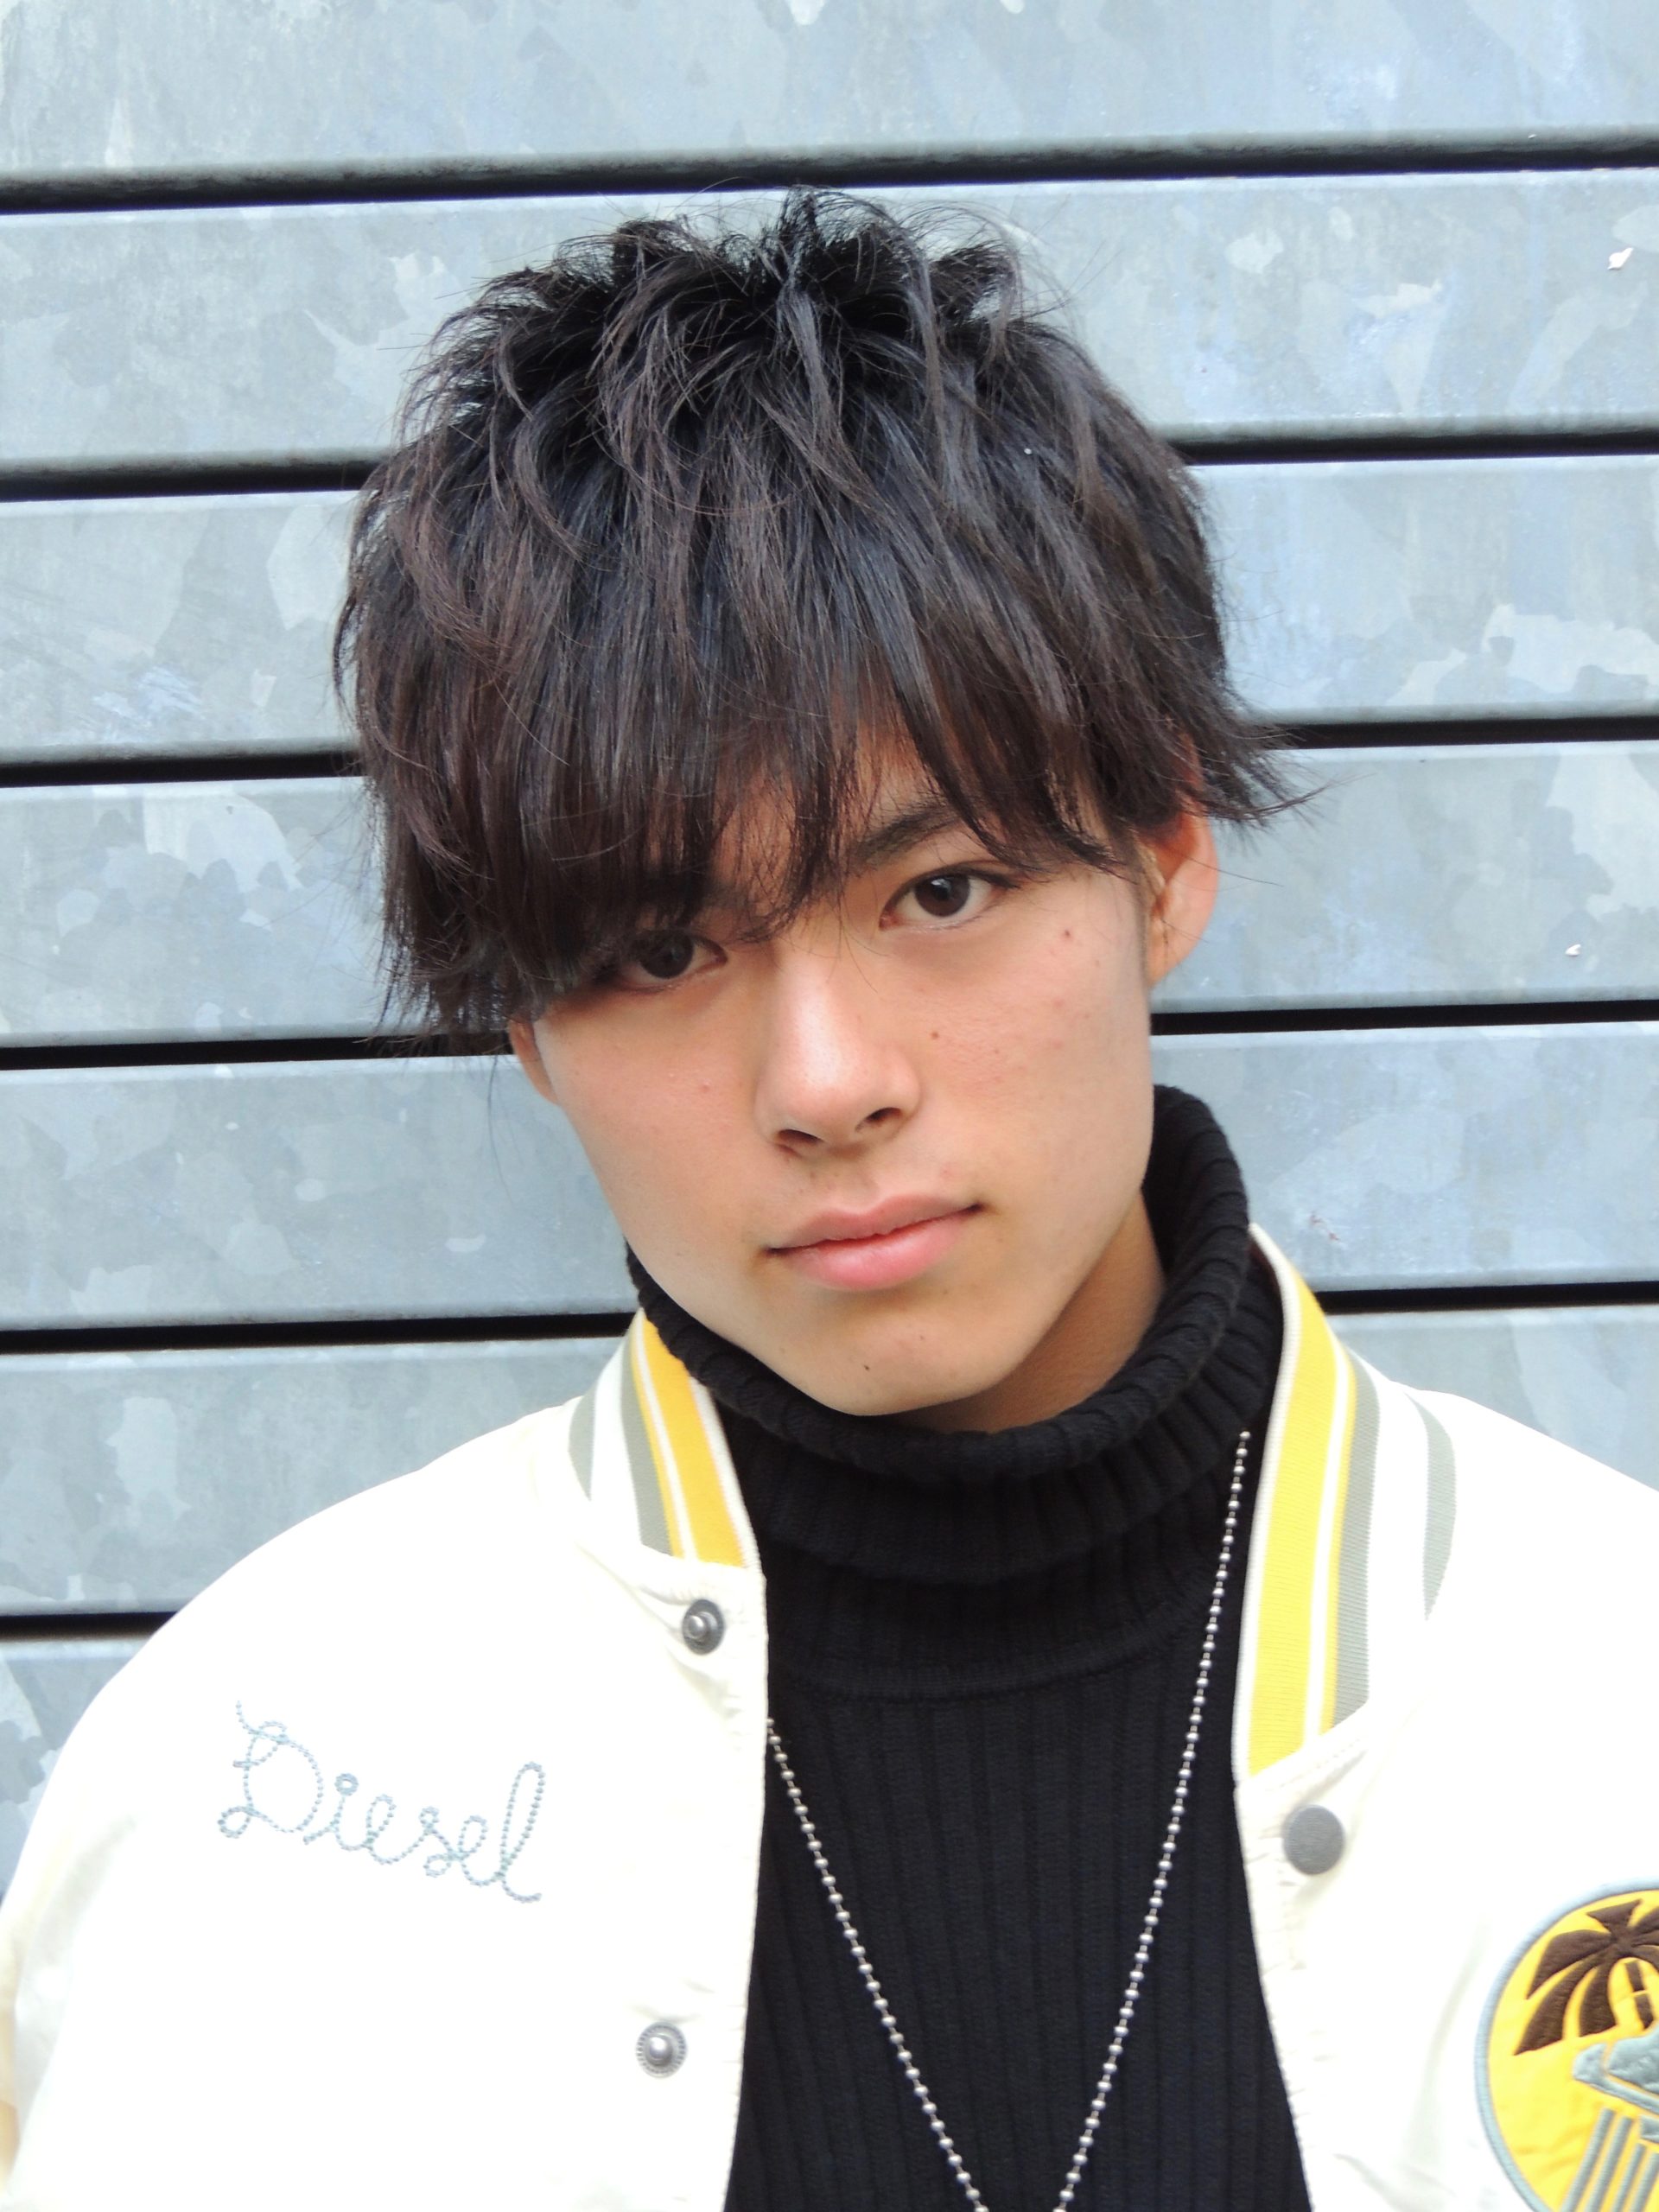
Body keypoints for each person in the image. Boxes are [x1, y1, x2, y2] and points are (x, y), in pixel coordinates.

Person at [0, 191, 1652, 2212]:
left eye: (939, 889)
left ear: (1163, 858)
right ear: (524, 1024)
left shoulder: (1604, 1677)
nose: (824, 1079)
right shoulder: (253, 1776)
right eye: (658, 950)